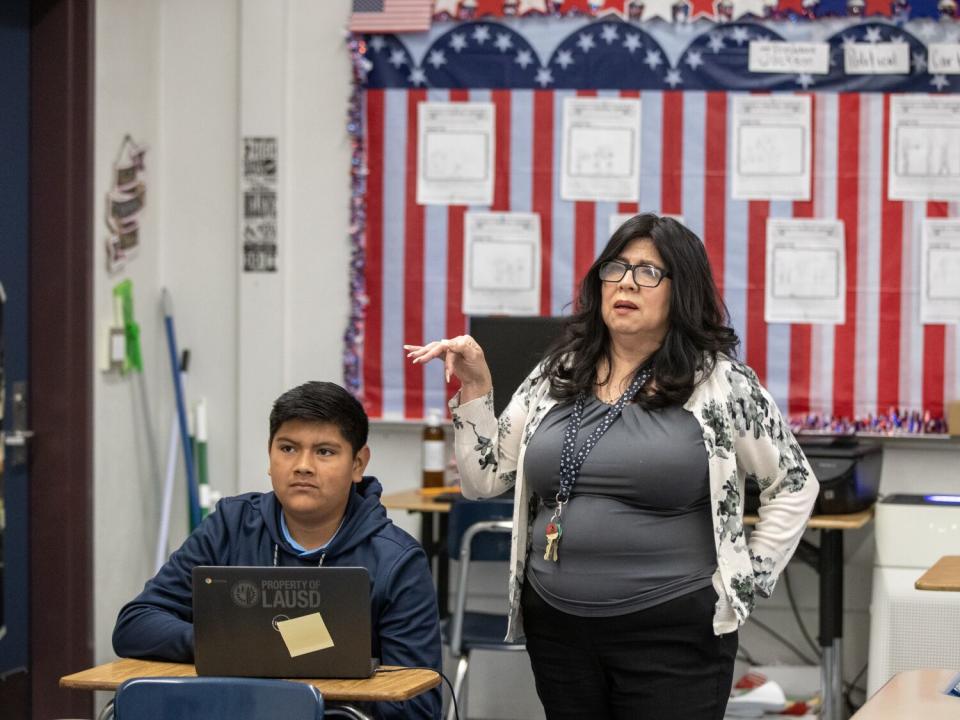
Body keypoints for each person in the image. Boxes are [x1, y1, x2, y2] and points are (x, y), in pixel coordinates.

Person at [406, 213, 819, 720]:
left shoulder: (720, 383)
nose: (626, 282)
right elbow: (481, 479)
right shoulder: (556, 373)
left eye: (648, 272)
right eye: (615, 268)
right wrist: (475, 389)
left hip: (673, 631)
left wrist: (744, 584)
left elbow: (794, 485)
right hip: (557, 627)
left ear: (680, 291)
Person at [113, 381, 442, 720]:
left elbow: (417, 706)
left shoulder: (396, 560)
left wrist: (281, 670)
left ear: (358, 464)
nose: (303, 465)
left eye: (324, 452)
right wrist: (232, 646)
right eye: (287, 448)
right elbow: (135, 625)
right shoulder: (230, 525)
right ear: (269, 456)